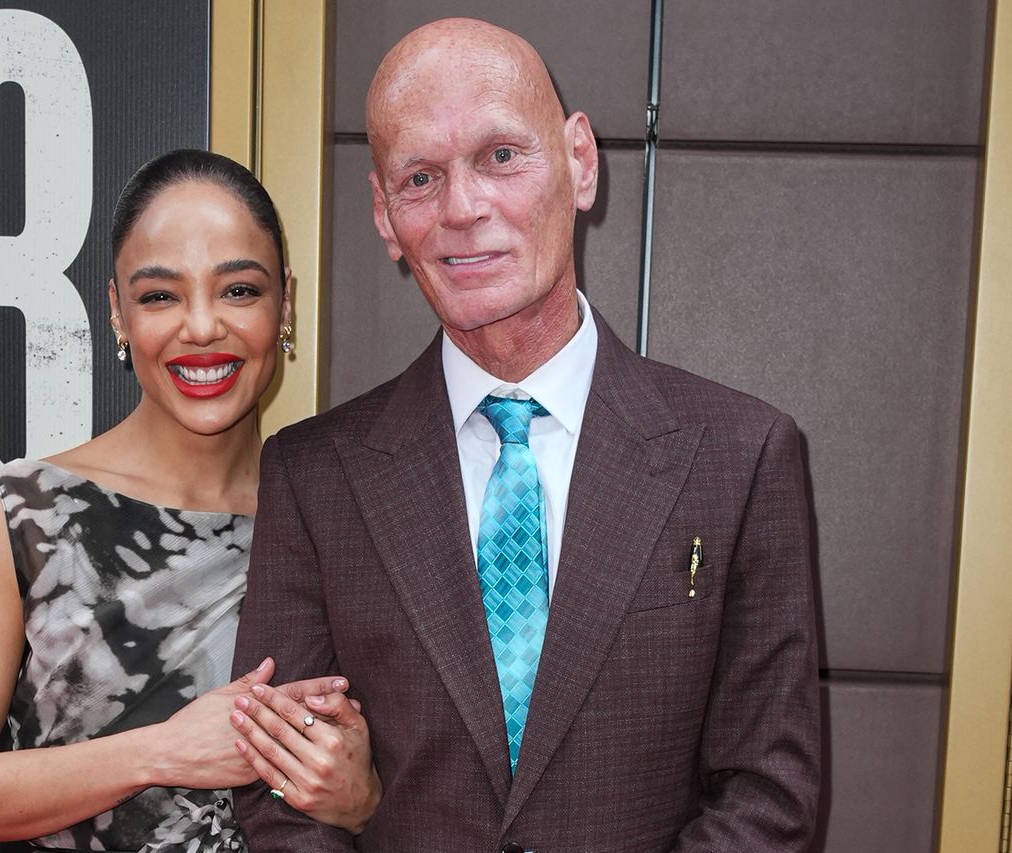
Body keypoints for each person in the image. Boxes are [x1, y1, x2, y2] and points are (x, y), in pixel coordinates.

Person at [229, 18, 820, 851]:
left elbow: (769, 796)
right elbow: (279, 789)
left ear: (580, 161)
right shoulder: (313, 477)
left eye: (502, 157)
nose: (464, 208)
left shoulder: (742, 457)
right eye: (422, 177)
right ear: (386, 215)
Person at [0, 149, 380, 852]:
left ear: (287, 302)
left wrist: (363, 800)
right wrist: (161, 751)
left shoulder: (340, 516)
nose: (201, 327)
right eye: (160, 295)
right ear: (119, 314)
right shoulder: (24, 515)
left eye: (238, 290)